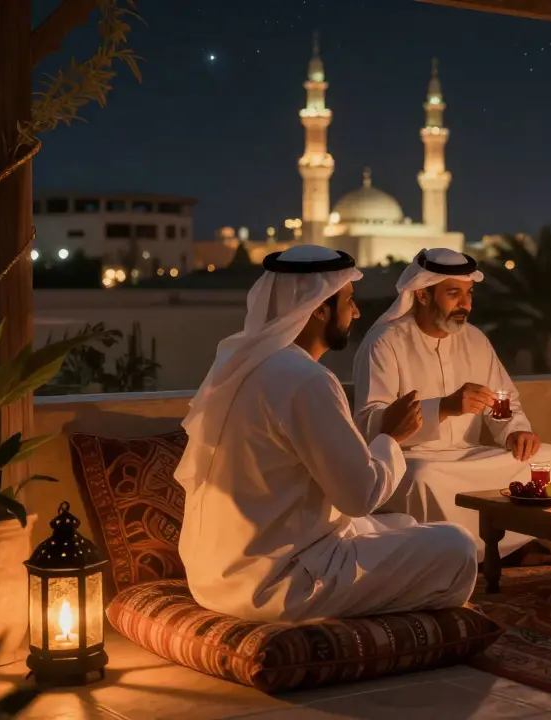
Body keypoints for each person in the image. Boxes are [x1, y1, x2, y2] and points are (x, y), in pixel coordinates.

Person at [175, 245, 478, 623]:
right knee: (457, 547)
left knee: (402, 524)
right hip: (278, 582)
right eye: (348, 300)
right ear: (319, 307)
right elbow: (359, 496)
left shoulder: (245, 367)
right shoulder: (306, 380)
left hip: (213, 577)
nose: (356, 312)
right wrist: (391, 436)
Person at [353, 248, 551, 566]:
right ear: (423, 295)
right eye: (454, 294)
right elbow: (370, 423)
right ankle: (464, 555)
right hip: (409, 460)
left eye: (469, 294)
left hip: (468, 456)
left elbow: (502, 402)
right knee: (426, 476)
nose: (466, 304)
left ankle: (507, 547)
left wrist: (515, 431)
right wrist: (443, 407)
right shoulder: (385, 342)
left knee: (547, 458)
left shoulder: (476, 340)